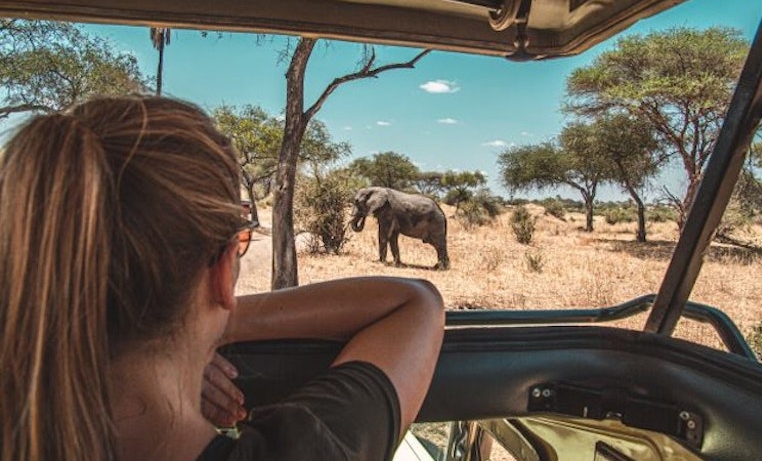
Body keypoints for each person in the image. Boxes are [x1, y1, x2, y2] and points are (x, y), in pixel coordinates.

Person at [0, 96, 445, 461]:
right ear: (222, 272)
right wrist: (196, 330)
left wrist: (182, 332)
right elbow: (416, 303)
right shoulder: (300, 451)